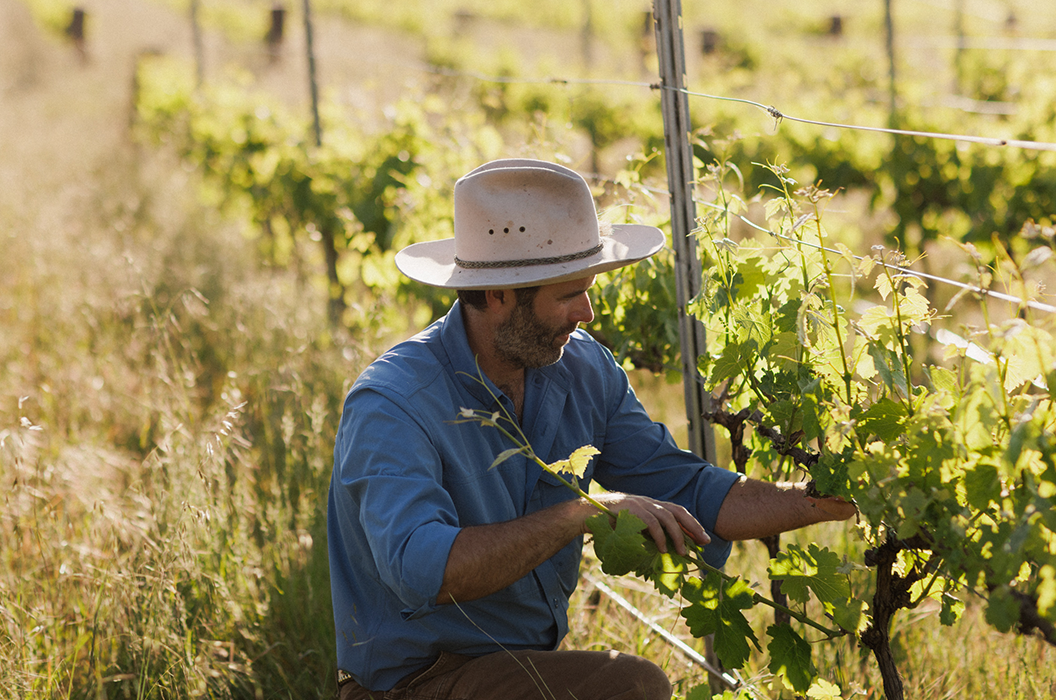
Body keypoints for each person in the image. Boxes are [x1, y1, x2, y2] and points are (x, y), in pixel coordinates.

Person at [327, 159, 855, 699]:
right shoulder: (393, 403)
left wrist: (816, 501)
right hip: (413, 683)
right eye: (568, 294)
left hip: (515, 672)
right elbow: (424, 570)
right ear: (497, 296)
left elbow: (687, 487)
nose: (590, 311)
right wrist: (582, 513)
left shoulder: (582, 368)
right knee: (628, 686)